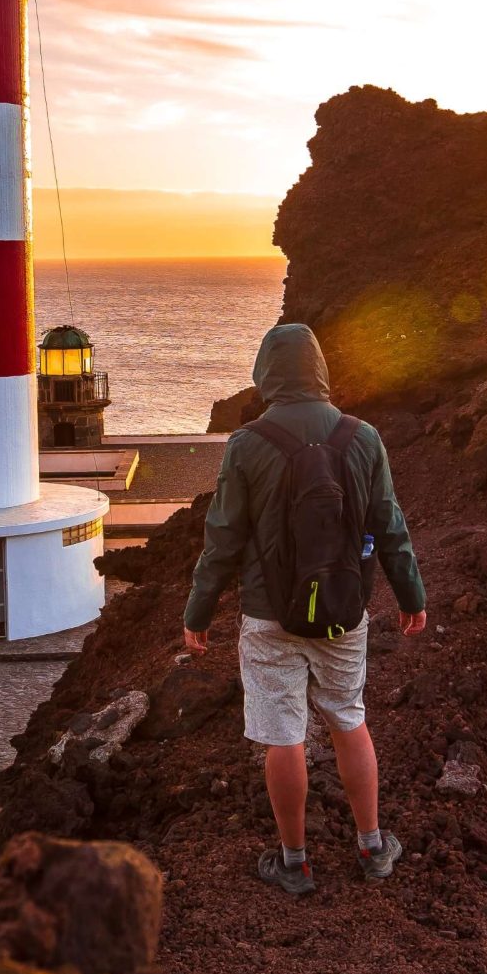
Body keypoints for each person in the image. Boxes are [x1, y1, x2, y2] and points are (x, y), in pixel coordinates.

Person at [183, 322, 427, 895]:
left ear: (265, 371)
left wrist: (198, 613)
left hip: (270, 615)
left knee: (283, 735)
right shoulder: (363, 437)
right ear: (319, 369)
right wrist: (412, 598)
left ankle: (294, 861)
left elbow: (222, 538)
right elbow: (389, 526)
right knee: (348, 717)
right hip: (345, 610)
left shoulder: (247, 443)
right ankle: (371, 846)